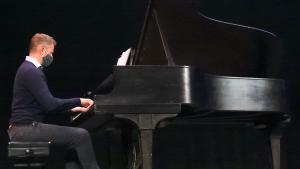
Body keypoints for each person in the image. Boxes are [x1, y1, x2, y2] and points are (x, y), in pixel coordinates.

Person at [8, 33, 100, 169]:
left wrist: (72, 110)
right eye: (51, 53)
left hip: (22, 128)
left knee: (73, 140)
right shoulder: (31, 71)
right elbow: (50, 105)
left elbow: (44, 106)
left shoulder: (27, 69)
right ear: (43, 50)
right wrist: (79, 101)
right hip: (25, 129)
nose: (52, 57)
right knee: (81, 136)